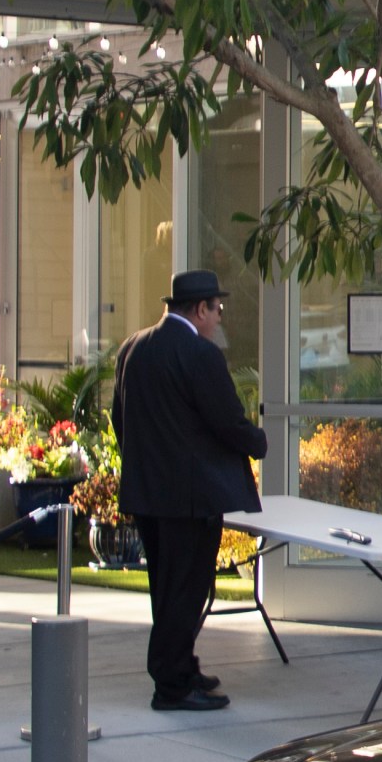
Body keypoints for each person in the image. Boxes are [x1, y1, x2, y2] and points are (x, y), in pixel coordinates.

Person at [115, 269, 267, 711]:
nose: (219, 319)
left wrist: (145, 464)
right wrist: (258, 442)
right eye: (217, 310)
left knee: (166, 588)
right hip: (192, 499)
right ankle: (173, 685)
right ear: (200, 310)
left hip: (149, 495)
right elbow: (226, 422)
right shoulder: (200, 355)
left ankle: (180, 665)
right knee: (187, 590)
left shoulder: (133, 348)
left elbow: (117, 417)